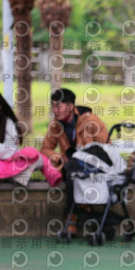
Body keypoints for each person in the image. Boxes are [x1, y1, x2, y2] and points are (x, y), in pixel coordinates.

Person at [40, 88, 108, 235]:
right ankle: (81, 209)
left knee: (71, 169)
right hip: (70, 166)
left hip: (93, 164)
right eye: (53, 106)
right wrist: (59, 157)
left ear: (70, 107)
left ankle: (71, 218)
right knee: (70, 168)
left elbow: (106, 148)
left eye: (58, 106)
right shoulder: (55, 125)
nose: (55, 110)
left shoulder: (91, 120)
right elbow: (45, 149)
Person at [0, 89, 61, 189]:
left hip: (9, 159)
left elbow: (10, 148)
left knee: (33, 155)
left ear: (0, 106)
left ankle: (12, 176)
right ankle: (11, 176)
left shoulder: (8, 123)